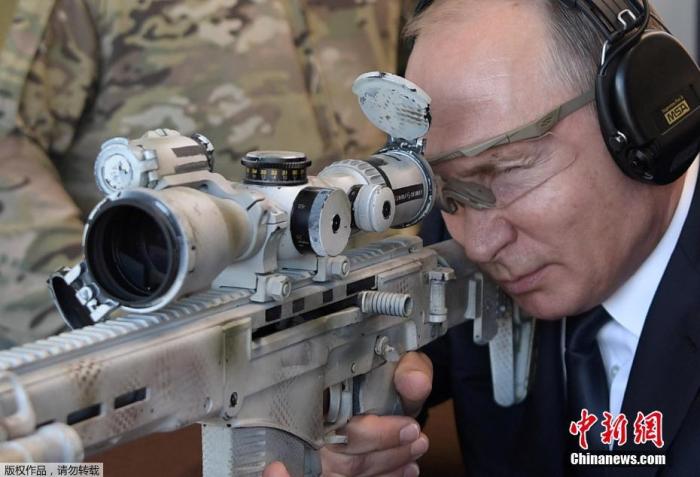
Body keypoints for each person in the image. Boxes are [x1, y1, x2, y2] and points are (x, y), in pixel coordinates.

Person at [268, 0, 700, 476]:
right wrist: (348, 445)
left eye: (507, 171)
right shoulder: (456, 243)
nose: (479, 245)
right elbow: (375, 400)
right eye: (449, 194)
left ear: (645, 113)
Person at [0, 0, 414, 348]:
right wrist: (106, 336)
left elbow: (414, 108)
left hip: (374, 318)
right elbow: (8, 149)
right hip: (183, 347)